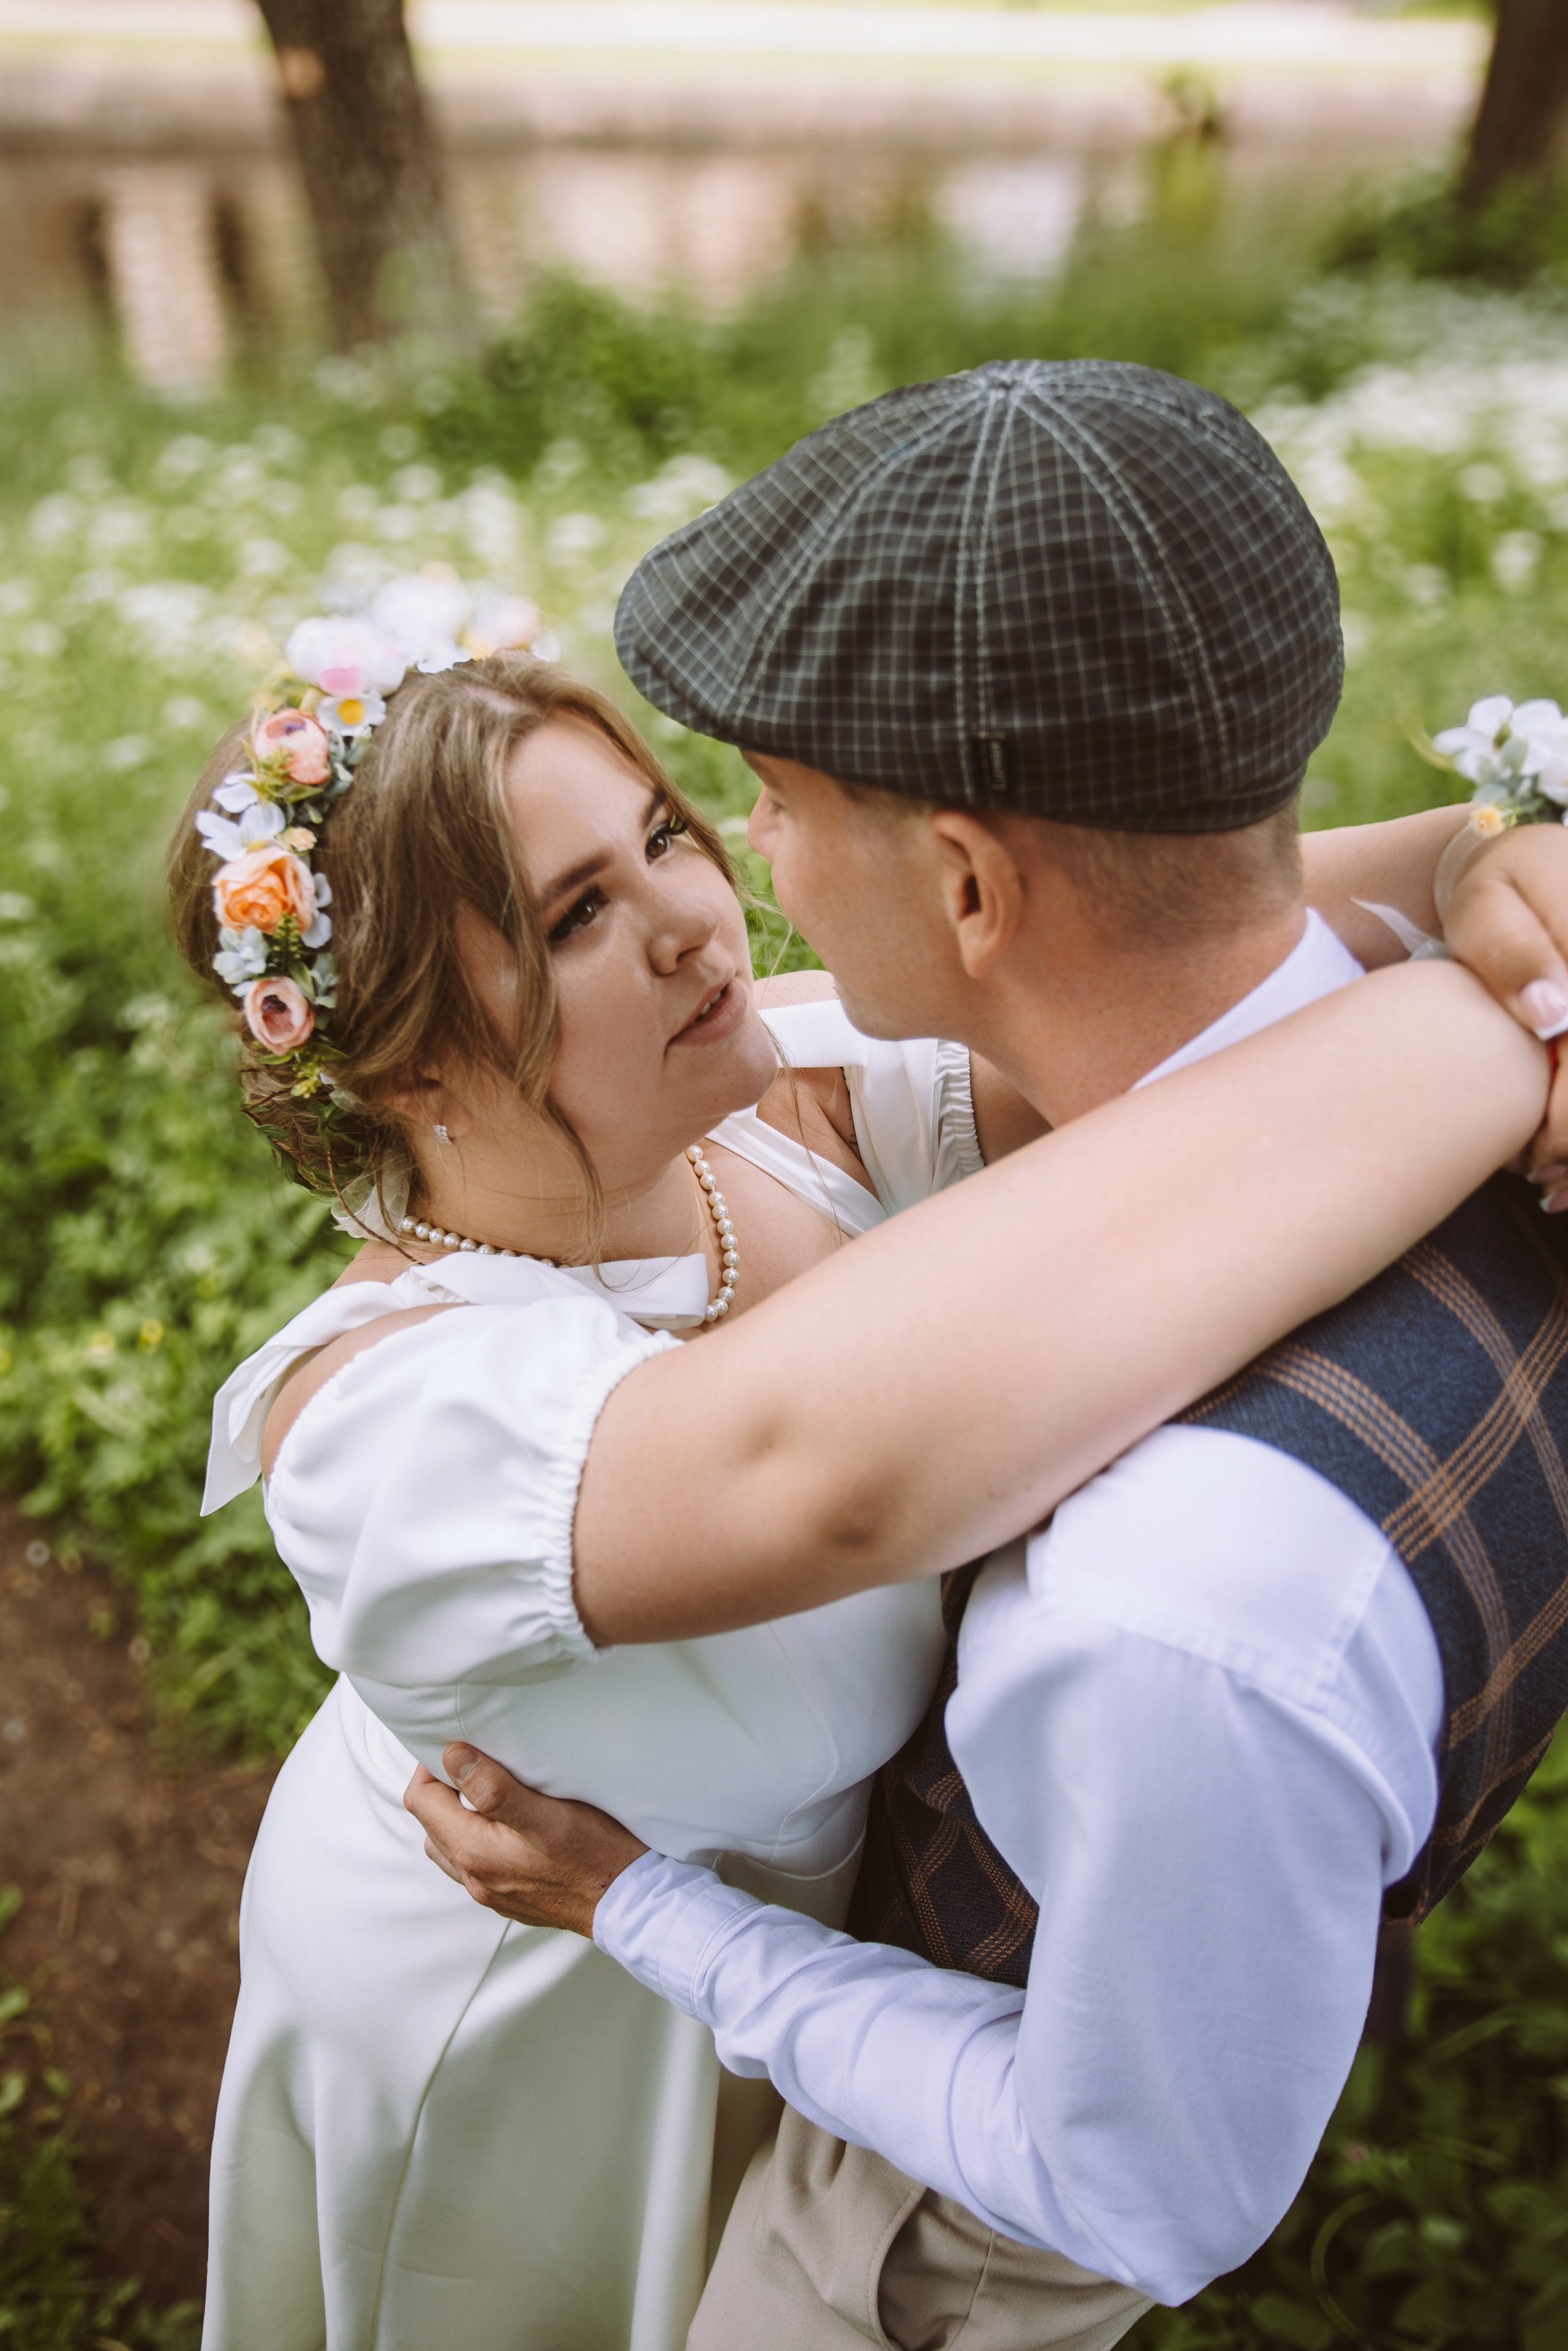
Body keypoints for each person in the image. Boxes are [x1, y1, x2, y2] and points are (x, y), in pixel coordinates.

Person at [405, 360, 1568, 2351]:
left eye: (763, 801)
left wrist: (642, 1909)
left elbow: (1148, 2188)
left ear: (963, 882)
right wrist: (1476, 853)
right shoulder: (1480, 1025)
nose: (740, 866)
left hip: (922, 2243)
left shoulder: (1158, 1601)